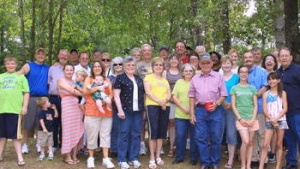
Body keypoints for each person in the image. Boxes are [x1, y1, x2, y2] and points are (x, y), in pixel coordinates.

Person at [189, 53, 227, 169]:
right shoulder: (195, 78)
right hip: (200, 110)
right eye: (203, 63)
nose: (205, 65)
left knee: (215, 137)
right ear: (199, 64)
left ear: (212, 63)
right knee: (201, 137)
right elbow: (191, 96)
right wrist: (191, 113)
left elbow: (224, 94)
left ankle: (215, 162)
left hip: (216, 110)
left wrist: (217, 103)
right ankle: (205, 162)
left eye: (208, 62)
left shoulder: (218, 76)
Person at [113, 56, 145, 169]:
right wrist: (120, 110)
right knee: (123, 134)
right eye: (128, 65)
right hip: (125, 111)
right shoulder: (120, 78)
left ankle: (133, 158)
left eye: (132, 65)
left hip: (137, 111)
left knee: (136, 134)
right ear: (124, 67)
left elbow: (143, 95)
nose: (131, 67)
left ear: (135, 67)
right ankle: (122, 159)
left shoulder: (138, 78)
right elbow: (116, 95)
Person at [83, 61, 115, 169]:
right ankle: (91, 158)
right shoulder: (89, 79)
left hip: (106, 111)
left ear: (102, 68)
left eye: (99, 66)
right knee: (92, 135)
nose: (97, 68)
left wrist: (107, 101)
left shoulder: (107, 80)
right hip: (92, 111)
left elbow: (111, 93)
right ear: (92, 69)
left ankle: (105, 158)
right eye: (95, 66)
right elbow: (85, 92)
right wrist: (97, 88)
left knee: (105, 135)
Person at [18, 48, 49, 154]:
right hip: (30, 98)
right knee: (27, 123)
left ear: (45, 56)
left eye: (43, 54)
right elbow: (20, 73)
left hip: (43, 98)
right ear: (35, 55)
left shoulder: (47, 68)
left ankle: (39, 144)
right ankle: (25, 145)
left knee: (39, 123)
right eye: (38, 54)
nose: (41, 55)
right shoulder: (29, 65)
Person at [0, 55, 29, 166]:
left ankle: (20, 157)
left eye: (12, 63)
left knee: (16, 136)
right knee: (1, 135)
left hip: (15, 110)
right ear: (5, 65)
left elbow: (26, 93)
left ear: (16, 65)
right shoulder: (1, 76)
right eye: (8, 63)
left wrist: (24, 106)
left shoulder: (21, 77)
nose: (10, 65)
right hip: (1, 109)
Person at [144, 57, 172, 169]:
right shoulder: (148, 77)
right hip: (152, 106)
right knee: (153, 132)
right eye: (156, 65)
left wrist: (165, 101)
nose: (159, 67)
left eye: (160, 65)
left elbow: (169, 93)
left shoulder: (165, 80)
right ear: (153, 67)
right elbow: (148, 92)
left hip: (165, 106)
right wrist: (160, 101)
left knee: (161, 132)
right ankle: (151, 158)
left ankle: (158, 156)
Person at [243, 51, 268, 167]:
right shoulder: (242, 72)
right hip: (247, 109)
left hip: (259, 107)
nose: (248, 59)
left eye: (250, 57)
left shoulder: (262, 71)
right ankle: (253, 158)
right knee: (250, 135)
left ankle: (264, 159)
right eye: (246, 57)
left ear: (254, 58)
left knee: (262, 133)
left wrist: (255, 95)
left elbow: (266, 86)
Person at [258, 72, 288, 169]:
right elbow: (265, 109)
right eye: (269, 79)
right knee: (265, 144)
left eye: (273, 79)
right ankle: (261, 166)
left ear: (278, 80)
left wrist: (276, 119)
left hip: (281, 120)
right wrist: (272, 119)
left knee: (279, 144)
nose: (271, 81)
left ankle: (278, 166)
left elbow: (285, 108)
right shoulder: (265, 94)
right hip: (269, 120)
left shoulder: (283, 93)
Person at [231, 65, 258, 169]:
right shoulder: (234, 88)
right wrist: (240, 119)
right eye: (241, 72)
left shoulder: (252, 88)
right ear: (238, 74)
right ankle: (243, 165)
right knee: (245, 141)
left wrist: (252, 119)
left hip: (252, 119)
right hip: (240, 119)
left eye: (246, 72)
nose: (243, 74)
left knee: (250, 143)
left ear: (248, 74)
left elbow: (255, 105)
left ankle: (248, 165)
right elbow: (233, 105)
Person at [277, 47, 300, 169]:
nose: (284, 58)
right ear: (279, 58)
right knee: (289, 138)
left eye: (286, 55)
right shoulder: (278, 72)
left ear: (291, 57)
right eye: (282, 56)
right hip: (283, 112)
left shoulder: (297, 70)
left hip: (297, 110)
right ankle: (292, 162)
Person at [57, 64, 85, 165]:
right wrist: (81, 92)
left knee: (77, 129)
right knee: (67, 130)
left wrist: (78, 90)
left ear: (73, 71)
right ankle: (67, 155)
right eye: (67, 70)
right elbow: (71, 90)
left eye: (71, 70)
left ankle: (74, 154)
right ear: (64, 71)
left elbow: (79, 90)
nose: (69, 72)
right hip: (67, 105)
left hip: (77, 106)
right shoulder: (61, 80)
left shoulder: (75, 82)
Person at [172, 63, 198, 165]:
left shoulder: (196, 82)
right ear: (182, 72)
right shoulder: (179, 82)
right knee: (180, 136)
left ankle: (194, 158)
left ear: (193, 72)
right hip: (180, 115)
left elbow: (200, 97)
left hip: (194, 114)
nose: (188, 72)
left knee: (194, 137)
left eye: (190, 71)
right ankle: (179, 157)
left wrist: (191, 110)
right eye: (186, 71)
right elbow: (174, 96)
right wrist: (183, 108)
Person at [220, 56, 239, 169]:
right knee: (218, 133)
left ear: (231, 65)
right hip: (219, 108)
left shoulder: (236, 77)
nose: (226, 65)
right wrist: (223, 103)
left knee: (231, 134)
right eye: (224, 63)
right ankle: (217, 157)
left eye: (228, 63)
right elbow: (216, 91)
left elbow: (239, 91)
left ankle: (231, 159)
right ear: (221, 65)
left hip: (232, 109)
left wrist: (231, 104)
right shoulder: (218, 77)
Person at [48, 49, 68, 150]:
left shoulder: (69, 69)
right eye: (62, 55)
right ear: (58, 56)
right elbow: (48, 83)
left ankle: (63, 143)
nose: (63, 56)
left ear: (67, 57)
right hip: (54, 98)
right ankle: (54, 143)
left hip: (65, 98)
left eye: (65, 55)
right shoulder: (52, 68)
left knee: (64, 121)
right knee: (54, 121)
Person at [162, 54, 182, 158]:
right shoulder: (165, 72)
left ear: (179, 61)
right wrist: (170, 98)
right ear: (169, 61)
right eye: (172, 59)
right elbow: (164, 87)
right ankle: (171, 147)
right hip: (169, 100)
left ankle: (178, 146)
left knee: (179, 124)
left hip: (181, 101)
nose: (174, 60)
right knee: (171, 123)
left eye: (176, 59)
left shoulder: (182, 72)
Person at [136, 43, 153, 155]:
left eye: (149, 50)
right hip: (141, 97)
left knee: (153, 122)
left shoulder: (156, 63)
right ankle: (142, 144)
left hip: (154, 97)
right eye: (144, 50)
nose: (147, 52)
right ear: (142, 53)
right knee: (142, 121)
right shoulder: (137, 65)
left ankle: (155, 144)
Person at [108, 57, 124, 156]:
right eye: (115, 64)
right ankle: (114, 149)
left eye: (120, 64)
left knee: (125, 128)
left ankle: (123, 147)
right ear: (112, 66)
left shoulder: (127, 76)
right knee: (115, 128)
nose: (118, 66)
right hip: (113, 105)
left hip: (126, 105)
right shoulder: (110, 78)